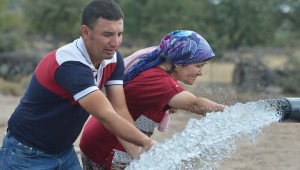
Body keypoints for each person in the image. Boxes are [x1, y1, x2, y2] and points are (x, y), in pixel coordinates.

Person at [0, 0, 156, 169]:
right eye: (107, 34)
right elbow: (106, 116)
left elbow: (119, 109)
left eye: (119, 34)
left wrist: (138, 156)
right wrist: (148, 143)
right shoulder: (69, 64)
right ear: (85, 32)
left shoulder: (113, 57)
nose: (116, 42)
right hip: (26, 153)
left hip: (64, 152)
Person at [79, 30, 227, 169]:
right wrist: (232, 112)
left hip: (103, 138)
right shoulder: (159, 82)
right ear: (179, 63)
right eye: (198, 65)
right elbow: (194, 104)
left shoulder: (155, 67)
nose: (201, 72)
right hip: (109, 147)